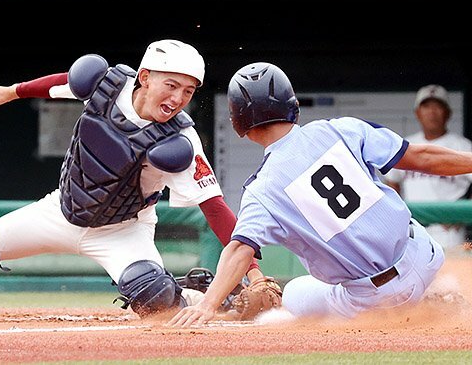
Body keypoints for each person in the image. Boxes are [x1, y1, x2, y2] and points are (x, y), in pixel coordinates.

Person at [0, 39, 266, 322]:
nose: (176, 98)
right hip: (60, 210)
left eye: (188, 92)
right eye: (170, 85)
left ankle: (207, 298)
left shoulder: (181, 139)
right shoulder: (107, 84)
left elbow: (215, 208)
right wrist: (13, 90)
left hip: (122, 231)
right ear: (145, 77)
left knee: (152, 296)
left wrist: (252, 270)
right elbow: (64, 84)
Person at [169, 62, 472, 328]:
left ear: (240, 124)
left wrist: (208, 304)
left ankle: (412, 302)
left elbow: (239, 250)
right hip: (426, 257)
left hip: (379, 299)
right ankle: (435, 293)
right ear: (293, 104)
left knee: (295, 294)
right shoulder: (342, 129)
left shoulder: (261, 190)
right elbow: (423, 157)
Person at [385, 84, 472, 248]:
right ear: (417, 113)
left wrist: (463, 214)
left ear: (448, 113)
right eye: (426, 106)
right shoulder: (406, 145)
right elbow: (392, 182)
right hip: (412, 230)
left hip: (448, 232)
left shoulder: (463, 146)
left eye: (438, 106)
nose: (432, 112)